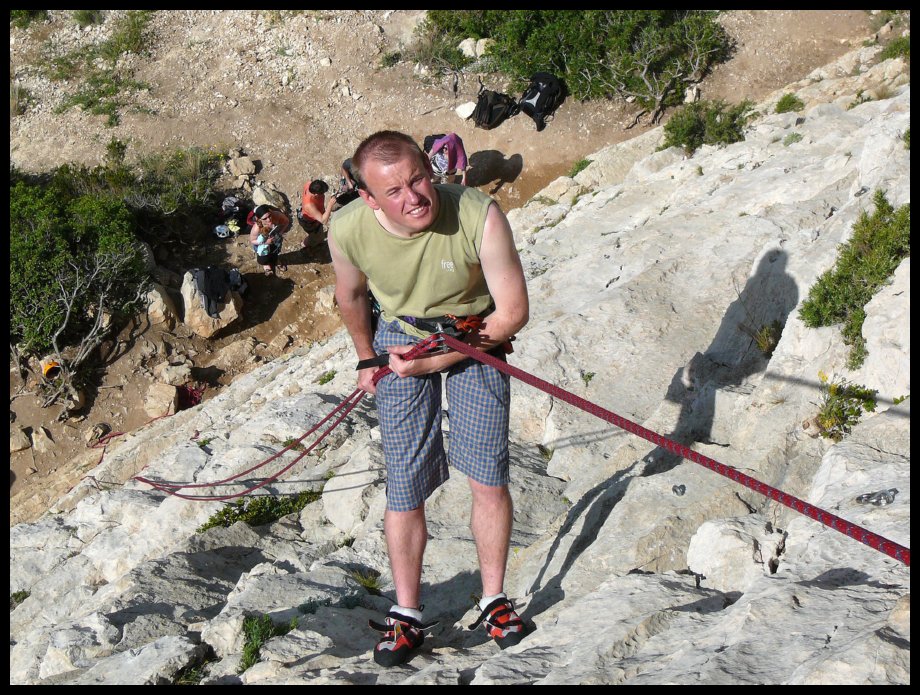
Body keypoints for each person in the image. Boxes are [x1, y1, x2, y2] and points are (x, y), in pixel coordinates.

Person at [328, 130, 529, 666]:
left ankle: (493, 599)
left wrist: (438, 358)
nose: (412, 197)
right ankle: (408, 612)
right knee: (405, 478)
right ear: (368, 199)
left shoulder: (478, 213)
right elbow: (349, 294)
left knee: (487, 472)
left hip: (475, 330)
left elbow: (510, 312)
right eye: (391, 191)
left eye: (418, 179)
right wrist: (367, 356)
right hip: (399, 331)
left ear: (430, 168)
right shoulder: (347, 228)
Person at [248, 204, 290, 275]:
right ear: (259, 219)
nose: (269, 219)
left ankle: (275, 261)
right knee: (263, 258)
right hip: (261, 245)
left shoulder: (276, 215)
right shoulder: (256, 228)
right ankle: (266, 264)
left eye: (269, 215)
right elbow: (252, 240)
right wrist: (265, 242)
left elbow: (286, 221)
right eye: (264, 218)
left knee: (275, 252)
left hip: (275, 239)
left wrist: (281, 232)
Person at [297, 179, 332, 248]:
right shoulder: (309, 205)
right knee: (313, 236)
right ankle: (305, 244)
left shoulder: (309, 184)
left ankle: (317, 239)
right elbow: (323, 220)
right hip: (309, 222)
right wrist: (330, 204)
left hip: (311, 214)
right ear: (316, 194)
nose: (324, 194)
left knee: (318, 233)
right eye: (322, 193)